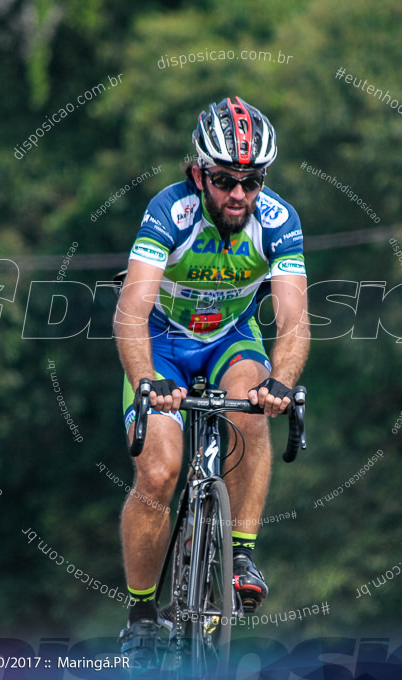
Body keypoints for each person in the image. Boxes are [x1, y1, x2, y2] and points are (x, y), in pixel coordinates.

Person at [114, 96, 310, 670]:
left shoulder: (279, 222)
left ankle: (241, 555)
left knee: (252, 404)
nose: (238, 195)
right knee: (158, 471)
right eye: (225, 180)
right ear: (199, 173)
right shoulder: (169, 213)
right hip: (162, 343)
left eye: (251, 182)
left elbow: (295, 320)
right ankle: (142, 615)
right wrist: (147, 379)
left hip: (230, 339)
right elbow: (132, 308)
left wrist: (281, 381)